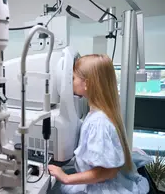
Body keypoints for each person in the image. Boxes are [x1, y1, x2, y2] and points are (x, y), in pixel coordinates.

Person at [48, 54, 150, 193]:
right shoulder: (100, 113)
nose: (70, 82)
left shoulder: (98, 123)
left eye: (73, 78)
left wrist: (66, 178)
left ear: (87, 84)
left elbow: (107, 172)